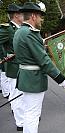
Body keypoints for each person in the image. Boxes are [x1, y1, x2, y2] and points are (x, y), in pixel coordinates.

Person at [13, 2, 65, 133]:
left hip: (26, 79)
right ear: (33, 16)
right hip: (34, 80)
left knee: (29, 113)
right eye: (40, 16)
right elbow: (44, 61)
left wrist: (39, 43)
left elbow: (28, 53)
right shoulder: (30, 34)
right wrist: (61, 79)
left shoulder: (20, 31)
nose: (41, 19)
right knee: (33, 115)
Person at [0, 3, 24, 131]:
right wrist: (5, 56)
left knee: (22, 95)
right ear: (16, 15)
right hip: (14, 68)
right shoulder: (7, 29)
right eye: (22, 14)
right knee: (16, 95)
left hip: (22, 68)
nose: (24, 16)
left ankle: (24, 117)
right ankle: (20, 123)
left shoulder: (21, 28)